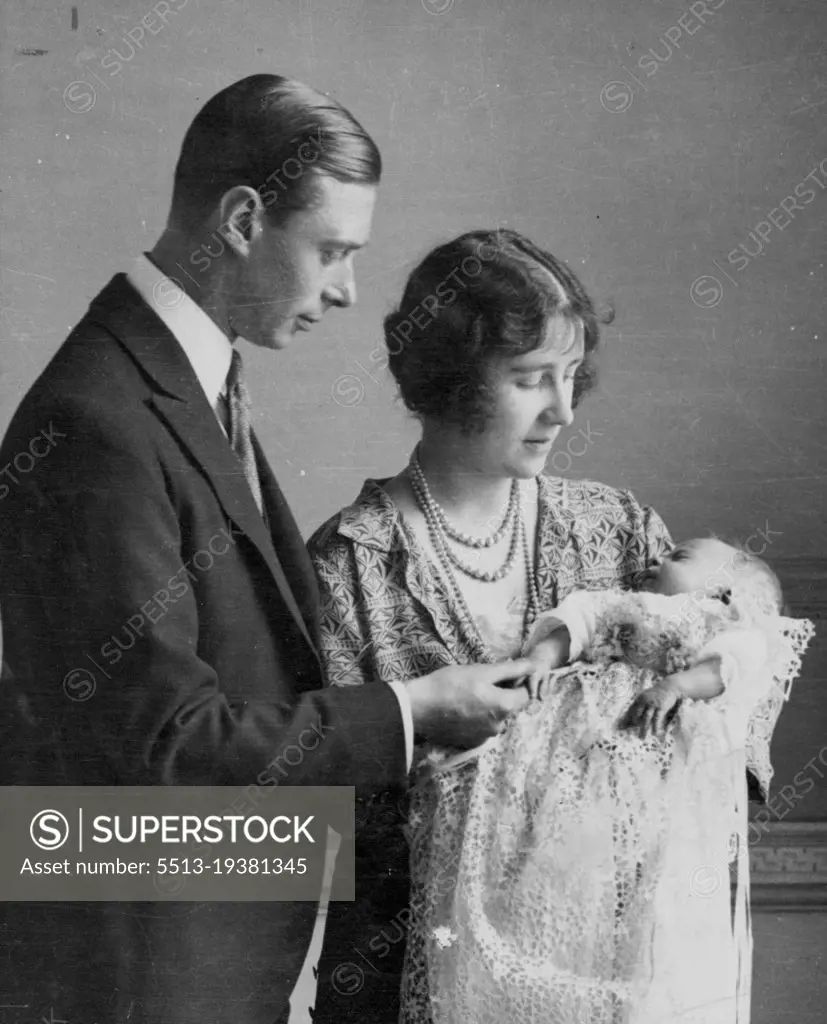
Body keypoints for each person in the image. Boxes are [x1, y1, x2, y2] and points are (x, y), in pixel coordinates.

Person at [0, 76, 533, 1024]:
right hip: (141, 976)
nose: (346, 289)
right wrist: (410, 712)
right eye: (331, 250)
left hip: (205, 952)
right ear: (242, 217)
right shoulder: (98, 419)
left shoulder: (183, 386)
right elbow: (164, 746)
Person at [309, 228, 674, 1023]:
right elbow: (314, 816)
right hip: (404, 983)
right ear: (448, 378)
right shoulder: (348, 566)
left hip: (596, 979)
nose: (563, 410)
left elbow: (723, 726)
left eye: (571, 375)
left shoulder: (616, 531)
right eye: (529, 379)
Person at [401, 537, 814, 1024]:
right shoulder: (628, 603)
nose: (655, 558)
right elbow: (579, 622)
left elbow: (728, 667)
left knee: (624, 869)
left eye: (679, 558)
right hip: (569, 729)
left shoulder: (723, 625)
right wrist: (542, 659)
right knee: (537, 809)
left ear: (727, 594)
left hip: (644, 744)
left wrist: (676, 686)